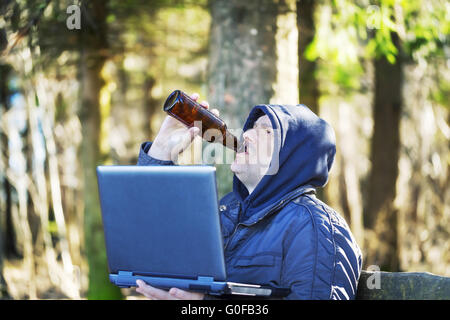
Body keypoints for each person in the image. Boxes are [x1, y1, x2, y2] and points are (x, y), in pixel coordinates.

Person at [135, 93, 363, 300]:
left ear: (292, 157)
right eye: (251, 127)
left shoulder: (314, 228)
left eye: (265, 131)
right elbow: (150, 246)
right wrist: (162, 150)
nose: (247, 134)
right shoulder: (226, 211)